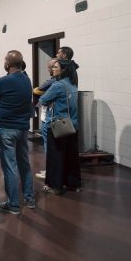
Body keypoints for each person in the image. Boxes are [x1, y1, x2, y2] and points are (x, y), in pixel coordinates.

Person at [0, 50, 35, 215]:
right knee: (24, 163)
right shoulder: (27, 80)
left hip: (6, 129)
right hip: (23, 128)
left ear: (7, 63)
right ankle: (29, 198)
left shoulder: (3, 81)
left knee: (10, 166)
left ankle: (13, 204)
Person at [39, 59, 81, 195]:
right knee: (71, 156)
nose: (53, 69)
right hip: (73, 125)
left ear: (63, 70)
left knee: (55, 156)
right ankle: (72, 184)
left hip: (59, 125)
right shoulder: (73, 83)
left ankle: (54, 185)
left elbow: (43, 100)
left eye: (56, 67)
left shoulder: (57, 85)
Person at [33, 58, 58, 179]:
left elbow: (38, 91)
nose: (50, 69)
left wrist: (41, 93)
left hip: (49, 116)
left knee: (49, 144)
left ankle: (50, 171)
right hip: (53, 117)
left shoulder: (54, 82)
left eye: (52, 67)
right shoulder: (63, 82)